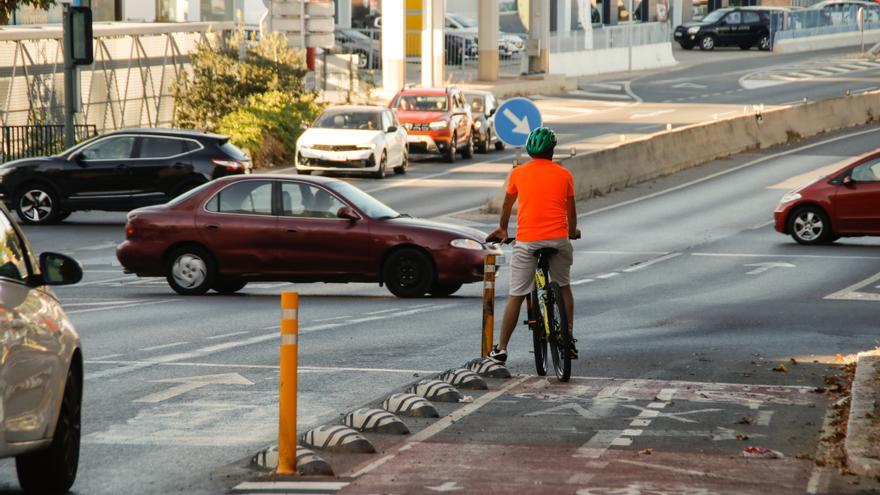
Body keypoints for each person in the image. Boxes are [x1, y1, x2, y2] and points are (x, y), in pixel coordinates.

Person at [485, 127, 580, 364]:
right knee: (564, 286)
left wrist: (503, 230)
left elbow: (507, 205)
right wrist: (572, 231)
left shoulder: (518, 173)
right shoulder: (564, 175)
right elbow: (571, 211)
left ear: (529, 151)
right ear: (553, 151)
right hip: (558, 240)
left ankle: (502, 348)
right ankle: (568, 338)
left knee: (516, 295)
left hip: (527, 241)